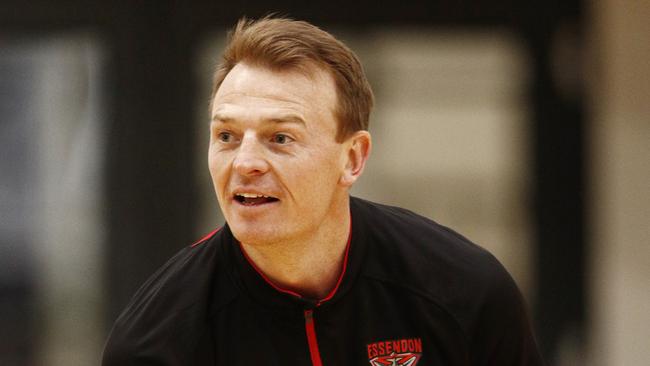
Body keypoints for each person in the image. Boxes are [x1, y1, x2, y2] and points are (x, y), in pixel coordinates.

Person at [102, 16, 543, 366]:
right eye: (226, 136)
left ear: (352, 159)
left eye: (281, 138)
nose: (245, 162)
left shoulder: (466, 292)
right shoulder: (156, 342)